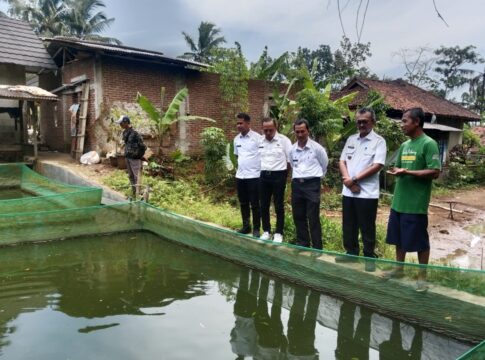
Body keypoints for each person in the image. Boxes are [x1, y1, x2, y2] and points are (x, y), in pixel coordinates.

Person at [385, 107, 441, 291]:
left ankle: (422, 277)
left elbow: (435, 172)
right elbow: (399, 168)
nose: (402, 125)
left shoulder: (428, 143)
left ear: (416, 122)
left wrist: (407, 171)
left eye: (404, 121)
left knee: (420, 242)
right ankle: (398, 269)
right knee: (398, 238)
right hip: (399, 201)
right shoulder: (404, 146)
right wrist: (396, 171)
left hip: (415, 204)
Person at [337, 108, 387, 270]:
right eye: (359, 121)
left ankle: (369, 257)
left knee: (367, 226)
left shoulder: (379, 141)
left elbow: (377, 165)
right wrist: (348, 181)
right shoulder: (351, 139)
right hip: (349, 191)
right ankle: (351, 253)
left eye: (365, 121)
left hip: (367, 193)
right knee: (348, 225)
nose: (361, 124)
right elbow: (342, 161)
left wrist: (354, 179)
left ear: (372, 122)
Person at [289, 118, 328, 250]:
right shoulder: (292, 149)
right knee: (298, 215)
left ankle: (317, 247)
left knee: (313, 217)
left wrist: (314, 178)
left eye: (302, 131)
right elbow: (293, 165)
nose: (300, 135)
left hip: (312, 185)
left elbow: (324, 165)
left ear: (308, 131)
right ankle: (303, 243)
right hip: (297, 185)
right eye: (297, 132)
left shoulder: (317, 148)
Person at [258, 118, 292, 243]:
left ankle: (279, 232)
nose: (268, 133)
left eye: (270, 130)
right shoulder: (260, 141)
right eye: (265, 130)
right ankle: (266, 231)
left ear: (276, 127)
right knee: (264, 205)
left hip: (279, 176)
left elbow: (290, 160)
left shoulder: (284, 141)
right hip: (263, 176)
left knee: (278, 205)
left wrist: (284, 175)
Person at [234, 112, 263, 237]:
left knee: (255, 204)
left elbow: (263, 155)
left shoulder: (257, 138)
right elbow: (236, 155)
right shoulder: (236, 139)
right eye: (237, 123)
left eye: (241, 123)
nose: (238, 126)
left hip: (254, 176)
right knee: (243, 203)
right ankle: (246, 227)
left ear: (248, 123)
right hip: (240, 176)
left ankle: (256, 229)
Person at [116, 115, 146, 197]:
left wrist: (139, 155)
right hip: (127, 157)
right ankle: (134, 192)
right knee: (131, 175)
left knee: (137, 175)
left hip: (135, 158)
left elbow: (143, 146)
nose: (120, 125)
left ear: (126, 122)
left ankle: (139, 193)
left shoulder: (135, 133)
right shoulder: (125, 132)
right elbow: (126, 143)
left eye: (121, 123)